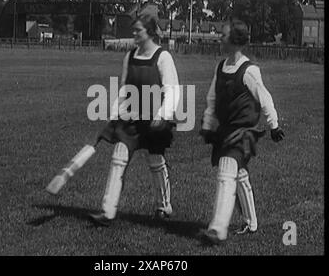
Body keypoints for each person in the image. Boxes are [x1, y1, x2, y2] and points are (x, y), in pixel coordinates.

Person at [89, 14, 180, 226]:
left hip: (155, 120)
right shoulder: (129, 57)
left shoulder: (163, 57)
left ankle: (164, 206)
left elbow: (172, 90)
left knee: (155, 161)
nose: (134, 34)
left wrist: (163, 116)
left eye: (138, 30)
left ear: (149, 32)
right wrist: (114, 115)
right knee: (118, 159)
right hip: (130, 119)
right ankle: (107, 211)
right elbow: (124, 89)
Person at [199, 19, 285, 244]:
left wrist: (273, 125)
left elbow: (264, 98)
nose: (220, 38)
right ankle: (251, 223)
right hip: (225, 131)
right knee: (239, 174)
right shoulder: (221, 67)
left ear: (235, 41)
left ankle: (218, 229)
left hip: (243, 132)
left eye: (224, 35)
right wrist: (208, 125)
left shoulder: (249, 71)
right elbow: (212, 98)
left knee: (226, 171)